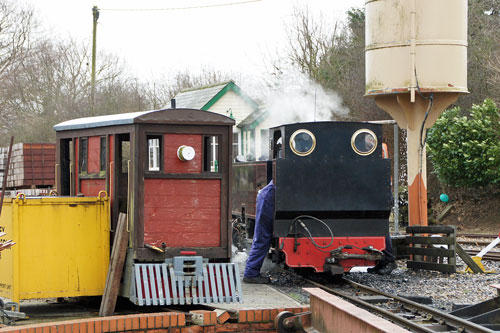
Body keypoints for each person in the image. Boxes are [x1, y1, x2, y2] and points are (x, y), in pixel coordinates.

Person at [243, 180, 275, 284]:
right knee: (262, 237)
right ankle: (251, 274)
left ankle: (251, 272)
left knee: (261, 237)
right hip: (268, 201)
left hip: (267, 198)